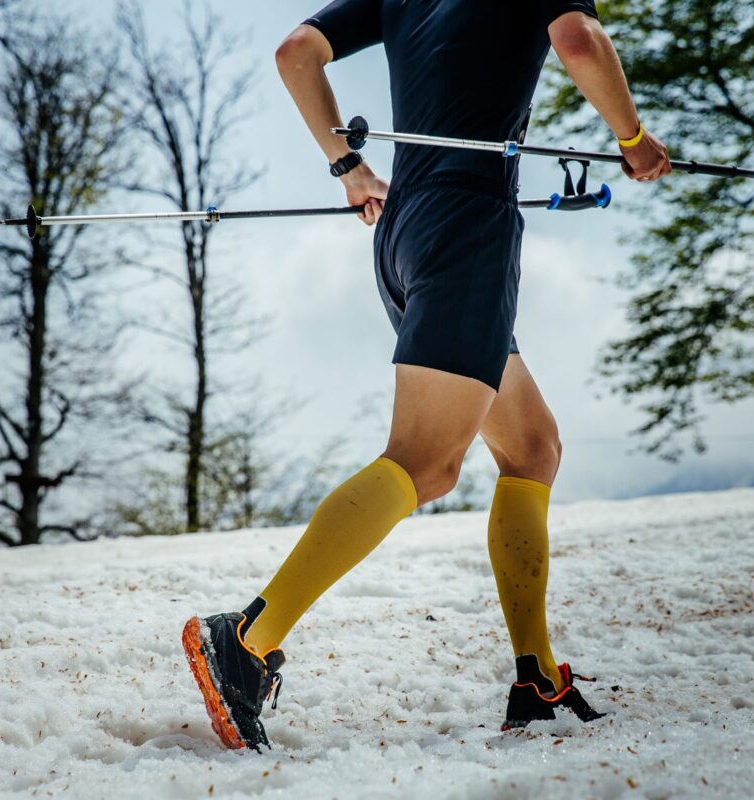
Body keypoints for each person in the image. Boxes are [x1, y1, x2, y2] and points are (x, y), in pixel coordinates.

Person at [182, 0, 672, 751]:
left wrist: (350, 169)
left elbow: (294, 54)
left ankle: (536, 674)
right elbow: (577, 40)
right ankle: (247, 637)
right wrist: (632, 139)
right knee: (426, 462)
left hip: (404, 229)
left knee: (532, 447)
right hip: (469, 229)